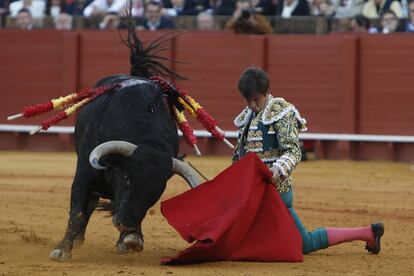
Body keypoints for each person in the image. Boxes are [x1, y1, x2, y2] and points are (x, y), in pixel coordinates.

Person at [232, 67, 384, 255]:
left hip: (276, 191)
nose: (252, 105)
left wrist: (276, 171)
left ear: (266, 93)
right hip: (254, 192)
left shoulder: (281, 111)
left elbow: (293, 151)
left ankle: (368, 233)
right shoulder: (247, 117)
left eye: (256, 100)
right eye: (248, 101)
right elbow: (240, 154)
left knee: (305, 243)